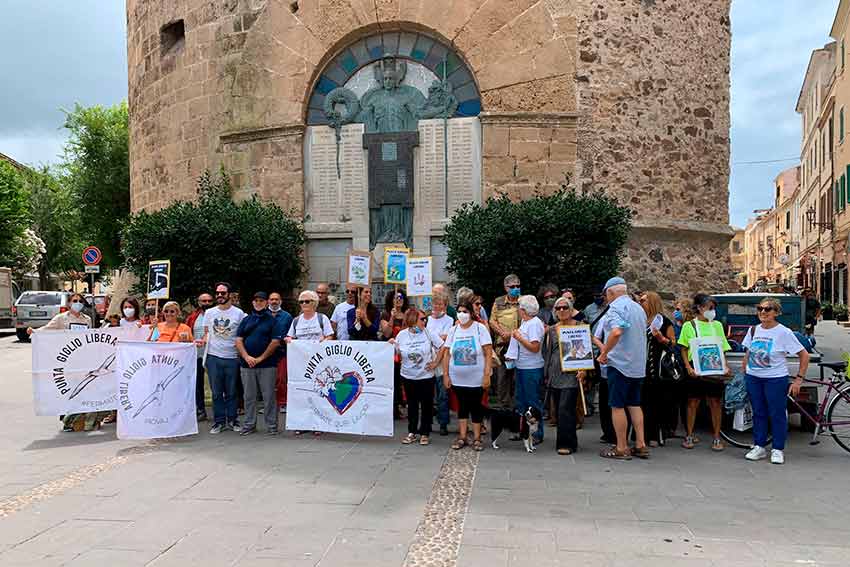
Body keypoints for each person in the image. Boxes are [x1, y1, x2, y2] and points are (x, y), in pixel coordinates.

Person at [741, 297, 810, 465]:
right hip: (754, 378)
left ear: (776, 312)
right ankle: (759, 446)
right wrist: (744, 371)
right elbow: (748, 352)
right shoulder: (753, 330)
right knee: (758, 413)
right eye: (760, 308)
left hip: (775, 379)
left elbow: (804, 355)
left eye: (768, 309)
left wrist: (798, 380)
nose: (763, 312)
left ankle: (778, 449)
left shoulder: (784, 332)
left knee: (777, 414)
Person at [594, 277, 649, 460]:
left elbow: (617, 331)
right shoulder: (638, 308)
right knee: (634, 404)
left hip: (620, 364)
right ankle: (641, 444)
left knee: (617, 406)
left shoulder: (616, 308)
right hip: (638, 365)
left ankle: (621, 447)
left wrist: (604, 353)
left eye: (606, 295)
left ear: (610, 292)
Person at [29, 293, 97, 432]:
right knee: (68, 389)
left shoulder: (87, 319)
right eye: (74, 301)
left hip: (82, 359)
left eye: (80, 301)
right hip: (66, 360)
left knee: (82, 389)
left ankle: (76, 419)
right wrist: (34, 332)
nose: (77, 303)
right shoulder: (61, 318)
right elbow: (47, 330)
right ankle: (67, 419)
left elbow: (90, 338)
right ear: (69, 303)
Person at [677, 294, 731, 451]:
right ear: (700, 308)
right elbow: (684, 348)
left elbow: (723, 348)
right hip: (696, 368)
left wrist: (726, 366)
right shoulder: (689, 326)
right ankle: (689, 435)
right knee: (693, 403)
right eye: (710, 308)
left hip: (715, 369)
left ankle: (716, 437)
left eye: (714, 308)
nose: (712, 311)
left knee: (715, 403)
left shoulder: (718, 326)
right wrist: (688, 368)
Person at [442, 298, 492, 451]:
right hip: (457, 378)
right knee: (462, 407)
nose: (462, 314)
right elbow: (446, 354)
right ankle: (462, 436)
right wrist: (446, 374)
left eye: (465, 312)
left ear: (471, 313)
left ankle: (477, 438)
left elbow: (488, 352)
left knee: (476, 407)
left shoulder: (479, 328)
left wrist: (486, 374)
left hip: (476, 378)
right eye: (459, 312)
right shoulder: (453, 330)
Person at [235, 292, 287, 436]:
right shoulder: (246, 320)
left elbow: (275, 342)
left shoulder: (272, 320)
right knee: (249, 396)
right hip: (247, 364)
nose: (258, 303)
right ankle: (249, 424)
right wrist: (246, 357)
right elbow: (238, 340)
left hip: (267, 364)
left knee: (269, 396)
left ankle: (272, 425)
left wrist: (260, 358)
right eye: (256, 300)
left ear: (266, 303)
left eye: (261, 301)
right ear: (253, 303)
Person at [198, 282, 246, 434]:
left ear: (229, 294)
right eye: (217, 293)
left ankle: (232, 420)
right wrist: (202, 341)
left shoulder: (239, 313)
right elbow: (206, 333)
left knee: (232, 392)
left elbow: (242, 335)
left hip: (232, 357)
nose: (219, 295)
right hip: (213, 357)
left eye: (223, 293)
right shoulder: (210, 313)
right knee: (216, 392)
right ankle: (219, 422)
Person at [391, 308, 444, 445]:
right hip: (408, 376)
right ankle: (412, 431)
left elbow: (443, 346)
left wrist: (436, 362)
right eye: (422, 319)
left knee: (427, 405)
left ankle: (425, 432)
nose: (425, 321)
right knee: (412, 405)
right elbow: (395, 351)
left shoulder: (428, 333)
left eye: (425, 318)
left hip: (426, 376)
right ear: (413, 319)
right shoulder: (402, 335)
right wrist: (391, 344)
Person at [543, 297, 586, 455]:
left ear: (571, 309)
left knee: (565, 409)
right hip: (555, 375)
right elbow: (548, 352)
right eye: (558, 308)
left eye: (564, 307)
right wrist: (546, 373)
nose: (561, 310)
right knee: (560, 411)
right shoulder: (553, 329)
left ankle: (566, 444)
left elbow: (585, 351)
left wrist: (584, 370)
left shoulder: (580, 327)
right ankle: (570, 441)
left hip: (571, 375)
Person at [506, 294, 546, 444]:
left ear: (523, 309)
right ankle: (522, 430)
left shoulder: (534, 324)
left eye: (518, 306)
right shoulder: (526, 321)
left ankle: (537, 433)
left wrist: (519, 338)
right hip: (522, 366)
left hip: (532, 368)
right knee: (521, 401)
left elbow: (535, 347)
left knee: (532, 402)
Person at [639, 291, 677, 447]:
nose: (640, 303)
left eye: (643, 300)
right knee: (641, 402)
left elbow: (673, 344)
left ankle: (654, 435)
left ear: (652, 302)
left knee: (654, 402)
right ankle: (641, 435)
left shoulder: (664, 321)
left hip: (656, 368)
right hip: (641, 366)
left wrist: (661, 338)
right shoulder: (640, 320)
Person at [488, 274, 522, 427]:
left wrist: (515, 334)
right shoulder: (498, 302)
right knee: (503, 379)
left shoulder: (524, 301)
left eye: (517, 286)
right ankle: (504, 408)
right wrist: (502, 333)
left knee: (517, 379)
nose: (516, 289)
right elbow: (492, 320)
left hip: (521, 345)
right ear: (505, 288)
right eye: (512, 287)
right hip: (503, 346)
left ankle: (518, 409)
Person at [427, 289, 455, 435]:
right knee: (428, 395)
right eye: (435, 304)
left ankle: (443, 423)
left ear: (445, 305)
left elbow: (447, 339)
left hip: (443, 359)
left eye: (440, 304)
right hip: (428, 360)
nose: (437, 307)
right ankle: (428, 422)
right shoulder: (427, 319)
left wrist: (436, 337)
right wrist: (438, 337)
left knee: (442, 394)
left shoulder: (449, 320)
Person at [381, 289, 409, 419]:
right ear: (391, 300)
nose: (399, 300)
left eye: (401, 297)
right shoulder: (386, 314)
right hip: (391, 354)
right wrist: (392, 317)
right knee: (393, 381)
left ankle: (402, 405)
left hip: (405, 352)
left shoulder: (408, 314)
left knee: (404, 381)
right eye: (396, 297)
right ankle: (393, 408)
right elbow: (386, 333)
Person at [186, 293, 214, 421]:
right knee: (198, 384)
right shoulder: (193, 317)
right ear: (198, 302)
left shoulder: (216, 315)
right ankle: (200, 410)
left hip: (214, 354)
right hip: (197, 355)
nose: (206, 303)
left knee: (217, 384)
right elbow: (187, 333)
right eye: (204, 301)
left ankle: (220, 412)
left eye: (209, 301)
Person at [268, 292, 293, 414]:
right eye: (272, 299)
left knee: (281, 379)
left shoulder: (287, 316)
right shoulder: (263, 314)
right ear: (268, 301)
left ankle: (283, 403)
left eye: (276, 299)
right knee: (267, 380)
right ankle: (269, 404)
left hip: (282, 352)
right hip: (265, 353)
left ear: (280, 301)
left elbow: (291, 334)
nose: (274, 302)